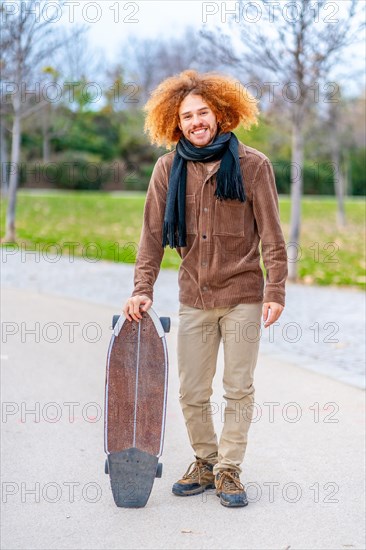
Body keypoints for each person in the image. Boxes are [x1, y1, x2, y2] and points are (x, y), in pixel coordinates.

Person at [122, 70, 288, 508]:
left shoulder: (254, 165)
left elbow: (272, 235)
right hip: (193, 295)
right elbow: (151, 236)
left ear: (220, 112)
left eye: (203, 112)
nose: (196, 121)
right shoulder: (166, 169)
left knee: (238, 388)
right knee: (192, 391)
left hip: (244, 296)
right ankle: (205, 461)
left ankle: (230, 469)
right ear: (175, 123)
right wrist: (143, 288)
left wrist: (276, 292)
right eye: (187, 115)